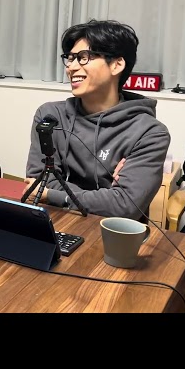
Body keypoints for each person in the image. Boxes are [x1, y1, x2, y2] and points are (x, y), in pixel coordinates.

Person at [23, 19, 170, 221]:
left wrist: (53, 195)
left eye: (84, 57)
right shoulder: (50, 116)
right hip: (57, 222)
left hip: (112, 232)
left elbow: (125, 206)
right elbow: (38, 182)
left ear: (117, 65)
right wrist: (107, 196)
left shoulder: (149, 132)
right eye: (70, 58)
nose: (71, 67)